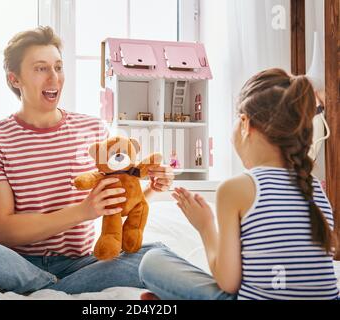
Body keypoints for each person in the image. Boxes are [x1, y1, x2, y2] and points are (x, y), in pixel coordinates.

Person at [0, 26, 174, 295]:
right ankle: (53, 287)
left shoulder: (93, 130)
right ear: (15, 79)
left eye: (58, 67)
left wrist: (151, 188)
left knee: (158, 256)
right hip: (16, 263)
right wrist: (83, 211)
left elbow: (118, 202)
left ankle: (47, 289)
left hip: (84, 263)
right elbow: (2, 231)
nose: (54, 77)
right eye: (40, 68)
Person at [139, 68, 339, 300]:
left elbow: (229, 283)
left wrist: (205, 225)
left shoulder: (236, 189)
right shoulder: (314, 186)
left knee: (152, 261)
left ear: (245, 123)